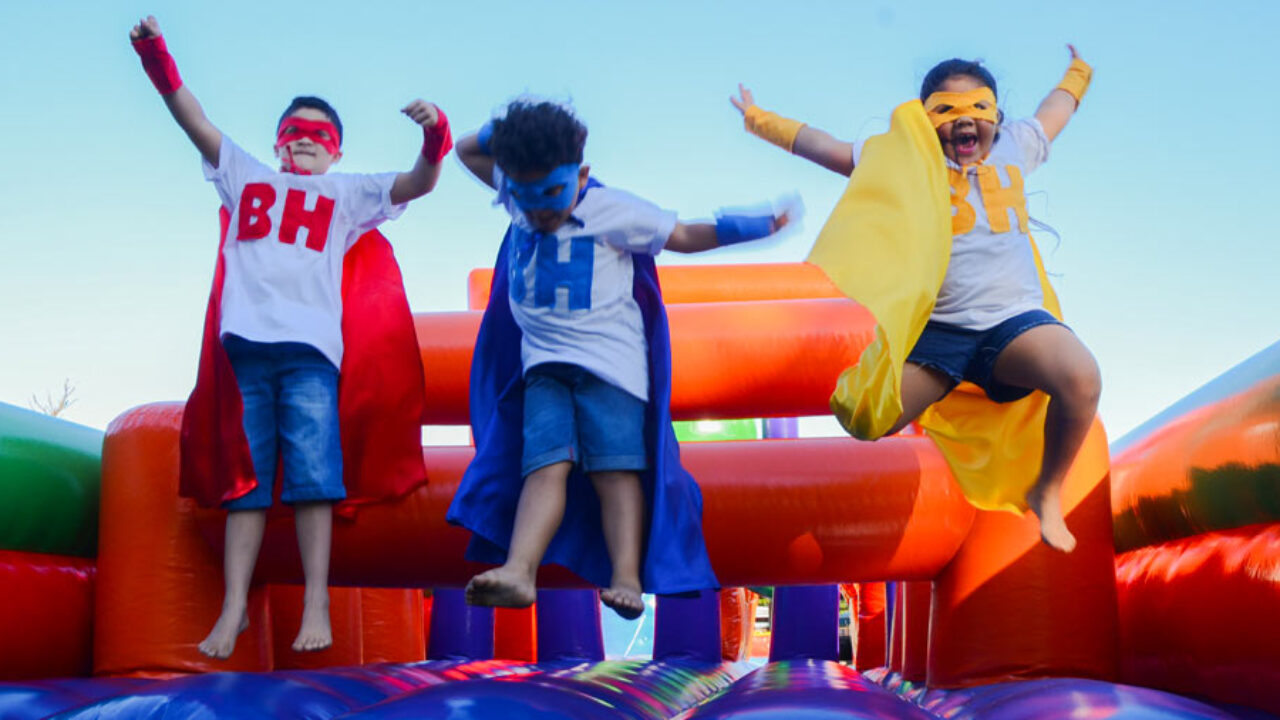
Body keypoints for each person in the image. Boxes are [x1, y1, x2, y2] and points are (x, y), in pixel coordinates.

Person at [129, 15, 447, 658]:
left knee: (312, 479)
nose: (303, 143)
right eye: (292, 134)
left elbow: (418, 183)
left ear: (335, 150)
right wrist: (156, 57)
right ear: (278, 145)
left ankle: (317, 600)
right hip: (245, 352)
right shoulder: (245, 175)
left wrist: (435, 136)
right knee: (245, 484)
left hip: (309, 358)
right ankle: (233, 608)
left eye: (317, 136)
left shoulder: (347, 193)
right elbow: (189, 116)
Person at [732, 48, 1099, 552]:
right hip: (940, 335)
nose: (964, 122)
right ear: (926, 122)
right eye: (947, 112)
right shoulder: (905, 161)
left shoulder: (1016, 146)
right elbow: (826, 147)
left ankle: (1047, 490)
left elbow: (1055, 110)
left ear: (995, 115)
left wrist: (1077, 74)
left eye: (978, 111)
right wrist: (759, 120)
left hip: (1013, 324)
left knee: (1081, 378)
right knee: (865, 420)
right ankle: (946, 396)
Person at [447, 100, 794, 618]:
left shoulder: (613, 209)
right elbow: (466, 150)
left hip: (612, 368)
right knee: (543, 467)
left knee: (617, 472)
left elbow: (681, 237)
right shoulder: (520, 188)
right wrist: (513, 127)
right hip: (542, 367)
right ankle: (521, 570)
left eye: (552, 196)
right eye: (524, 198)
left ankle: (627, 576)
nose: (539, 213)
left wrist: (749, 227)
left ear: (581, 174)